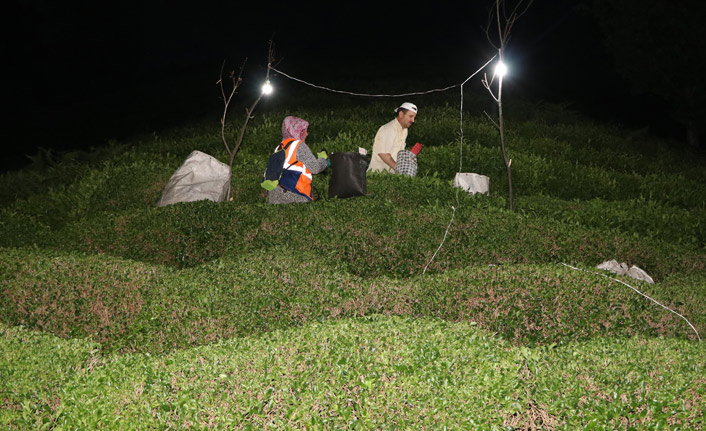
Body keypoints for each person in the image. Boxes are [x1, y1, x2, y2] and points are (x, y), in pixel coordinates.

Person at [267, 116, 330, 204]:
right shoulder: (299, 146)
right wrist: (324, 161)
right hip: (292, 196)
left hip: (273, 196)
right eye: (304, 131)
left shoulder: (279, 147)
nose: (307, 134)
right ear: (297, 131)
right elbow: (315, 168)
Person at [367, 102, 417, 174]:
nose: (413, 121)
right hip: (379, 175)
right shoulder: (388, 129)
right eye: (410, 116)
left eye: (414, 117)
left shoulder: (405, 130)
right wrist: (400, 170)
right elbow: (383, 154)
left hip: (393, 175)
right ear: (401, 114)